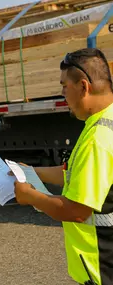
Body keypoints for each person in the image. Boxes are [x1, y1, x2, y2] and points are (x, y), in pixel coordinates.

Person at [14, 48, 113, 285]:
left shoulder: (97, 139)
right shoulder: (103, 122)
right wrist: (30, 172)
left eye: (64, 86)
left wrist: (30, 196)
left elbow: (77, 212)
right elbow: (75, 174)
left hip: (101, 267)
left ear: (83, 87)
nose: (62, 95)